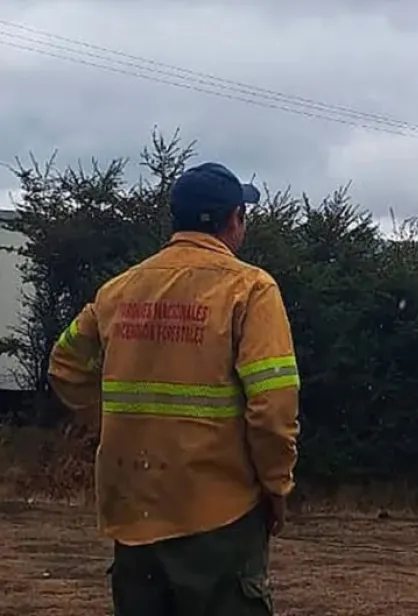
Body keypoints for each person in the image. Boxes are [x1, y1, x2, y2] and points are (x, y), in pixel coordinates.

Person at [47, 162, 301, 616]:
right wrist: (276, 486)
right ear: (234, 221)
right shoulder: (251, 289)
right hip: (219, 516)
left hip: (133, 511)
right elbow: (273, 406)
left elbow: (65, 365)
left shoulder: (118, 290)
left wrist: (112, 423)